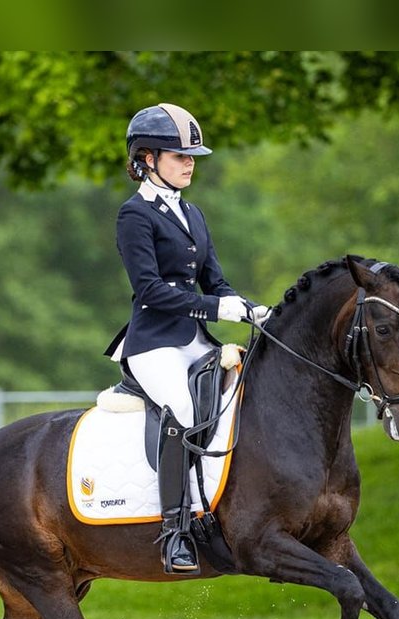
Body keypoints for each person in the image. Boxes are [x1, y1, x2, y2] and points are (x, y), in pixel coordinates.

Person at [104, 102, 269, 575]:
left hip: (193, 338)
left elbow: (215, 282)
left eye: (192, 155)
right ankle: (175, 531)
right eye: (180, 155)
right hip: (154, 343)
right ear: (147, 159)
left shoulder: (193, 213)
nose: (190, 162)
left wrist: (252, 309)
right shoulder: (133, 215)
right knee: (182, 408)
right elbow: (150, 289)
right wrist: (217, 309)